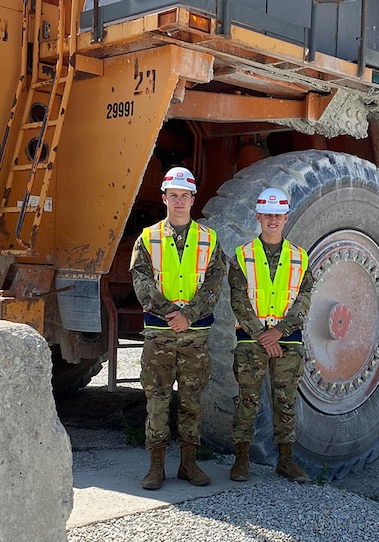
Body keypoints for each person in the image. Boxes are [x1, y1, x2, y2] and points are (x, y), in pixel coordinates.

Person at [130, 166, 226, 490]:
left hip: (195, 336)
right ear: (164, 198)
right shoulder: (148, 238)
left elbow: (214, 284)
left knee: (191, 402)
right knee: (157, 401)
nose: (179, 201)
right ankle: (156, 467)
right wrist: (172, 313)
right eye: (174, 195)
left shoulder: (209, 239)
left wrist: (191, 315)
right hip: (159, 334)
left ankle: (188, 464)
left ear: (193, 199)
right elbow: (141, 282)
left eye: (185, 196)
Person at [229, 187, 314, 483]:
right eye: (267, 215)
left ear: (286, 217)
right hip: (251, 339)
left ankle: (286, 462)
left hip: (287, 339)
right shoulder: (242, 255)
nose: (273, 220)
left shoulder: (300, 258)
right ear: (258, 216)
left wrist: (278, 332)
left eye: (278, 215)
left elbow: (303, 301)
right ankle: (240, 461)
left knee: (286, 402)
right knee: (247, 400)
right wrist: (262, 335)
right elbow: (238, 300)